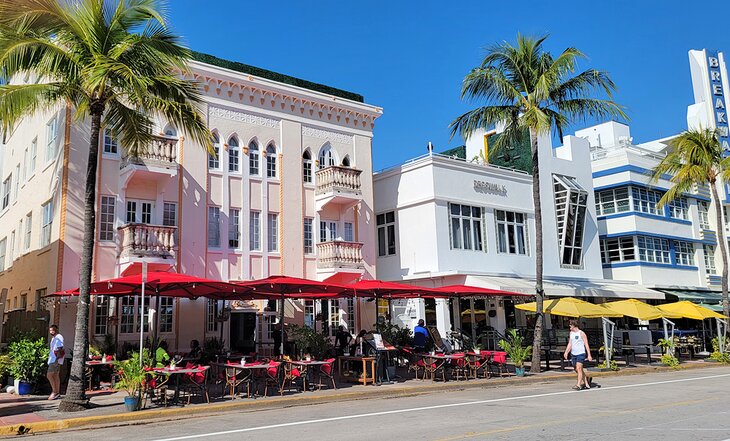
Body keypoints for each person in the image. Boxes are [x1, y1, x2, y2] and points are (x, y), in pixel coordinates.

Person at [563, 320, 593, 390]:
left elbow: (586, 344)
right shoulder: (571, 333)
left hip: (581, 353)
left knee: (579, 368)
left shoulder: (581, 333)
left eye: (570, 325)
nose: (569, 326)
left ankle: (578, 385)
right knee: (577, 369)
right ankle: (586, 381)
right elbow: (570, 343)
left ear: (574, 325)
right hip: (573, 354)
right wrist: (566, 352)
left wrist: (589, 355)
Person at [47, 324, 64, 400]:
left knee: (49, 375)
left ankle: (54, 392)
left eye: (52, 330)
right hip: (52, 358)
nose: (51, 332)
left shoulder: (58, 337)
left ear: (56, 330)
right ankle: (57, 392)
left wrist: (57, 359)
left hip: (55, 359)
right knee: (56, 375)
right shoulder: (53, 338)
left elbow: (60, 349)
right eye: (50, 330)